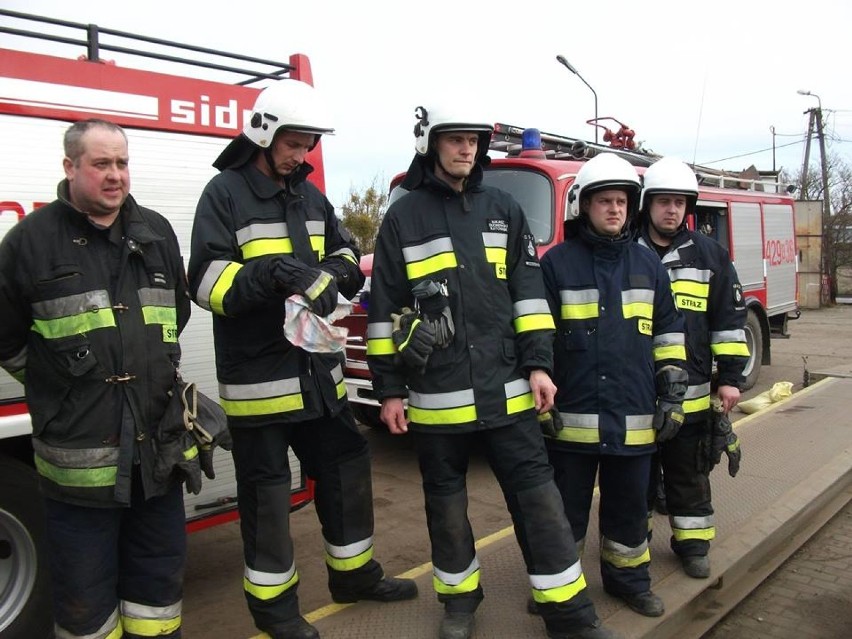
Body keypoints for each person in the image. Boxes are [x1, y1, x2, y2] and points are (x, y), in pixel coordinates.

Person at [367, 106, 618, 639]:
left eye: (473, 141)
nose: (467, 150)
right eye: (455, 140)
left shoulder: (503, 208)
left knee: (540, 504)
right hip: (436, 396)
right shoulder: (402, 217)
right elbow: (385, 310)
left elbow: (528, 296)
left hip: (508, 395)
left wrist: (539, 366)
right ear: (432, 145)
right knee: (447, 508)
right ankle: (459, 604)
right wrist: (389, 390)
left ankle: (569, 616)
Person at [187, 80, 416, 639]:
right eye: (294, 142)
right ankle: (276, 613)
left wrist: (330, 275)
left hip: (318, 376)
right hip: (260, 383)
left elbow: (342, 252)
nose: (301, 154)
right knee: (266, 501)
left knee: (346, 472)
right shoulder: (224, 194)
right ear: (263, 135)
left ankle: (354, 574)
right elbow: (205, 283)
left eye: (309, 143)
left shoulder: (310, 196)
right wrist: (271, 275)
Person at [0, 119, 191, 638]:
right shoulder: (29, 244)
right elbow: (6, 337)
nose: (115, 176)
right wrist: (61, 382)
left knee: (157, 602)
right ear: (70, 167)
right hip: (78, 478)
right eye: (101, 164)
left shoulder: (156, 234)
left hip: (156, 461)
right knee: (86, 610)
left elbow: (175, 314)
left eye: (122, 163)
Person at [540, 153, 687, 618]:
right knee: (563, 516)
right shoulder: (556, 265)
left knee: (628, 512)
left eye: (622, 201)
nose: (615, 209)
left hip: (633, 417)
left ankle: (628, 583)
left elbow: (667, 335)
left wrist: (673, 394)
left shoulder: (648, 265)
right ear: (584, 206)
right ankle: (558, 591)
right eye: (604, 201)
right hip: (572, 424)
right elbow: (538, 337)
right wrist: (539, 400)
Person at [637, 156, 748, 579]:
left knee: (690, 472)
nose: (672, 210)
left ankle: (693, 544)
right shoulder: (628, 252)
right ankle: (634, 545)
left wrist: (731, 380)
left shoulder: (711, 255)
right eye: (664, 201)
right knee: (639, 478)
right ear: (647, 204)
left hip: (696, 390)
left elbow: (729, 321)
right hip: (641, 388)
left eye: (680, 203)